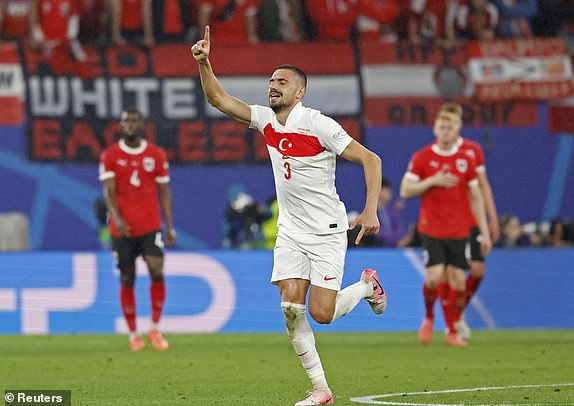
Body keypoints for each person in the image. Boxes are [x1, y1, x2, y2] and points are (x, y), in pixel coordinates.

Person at [192, 26, 387, 406]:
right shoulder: (265, 120)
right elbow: (217, 99)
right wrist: (204, 63)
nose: (273, 86)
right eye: (270, 81)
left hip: (328, 231)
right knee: (291, 310)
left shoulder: (318, 124)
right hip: (291, 232)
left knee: (322, 314)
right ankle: (321, 390)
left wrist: (369, 209)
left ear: (300, 91)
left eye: (282, 81)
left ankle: (366, 287)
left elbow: (371, 159)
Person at [400, 103, 492, 347]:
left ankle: (453, 331)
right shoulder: (422, 156)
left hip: (460, 230)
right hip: (432, 228)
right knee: (434, 278)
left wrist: (483, 229)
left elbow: (475, 196)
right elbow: (406, 189)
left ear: (458, 129)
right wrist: (432, 180)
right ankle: (429, 317)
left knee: (458, 280)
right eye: (441, 126)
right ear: (435, 128)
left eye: (450, 126)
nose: (445, 130)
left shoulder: (466, 159)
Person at [99, 107, 176, 352]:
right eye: (126, 120)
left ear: (142, 125)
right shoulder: (110, 155)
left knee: (156, 269)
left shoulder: (156, 154)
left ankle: (154, 328)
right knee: (127, 277)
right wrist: (118, 219)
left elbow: (164, 193)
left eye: (134, 120)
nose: (130, 124)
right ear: (121, 126)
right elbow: (108, 192)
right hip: (122, 229)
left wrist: (169, 226)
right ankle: (133, 333)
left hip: (150, 225)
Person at [435, 103, 500, 342]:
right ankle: (452, 324)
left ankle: (456, 314)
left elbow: (482, 186)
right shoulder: (435, 152)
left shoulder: (472, 150)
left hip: (471, 220)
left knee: (477, 269)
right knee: (448, 274)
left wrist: (492, 218)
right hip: (445, 222)